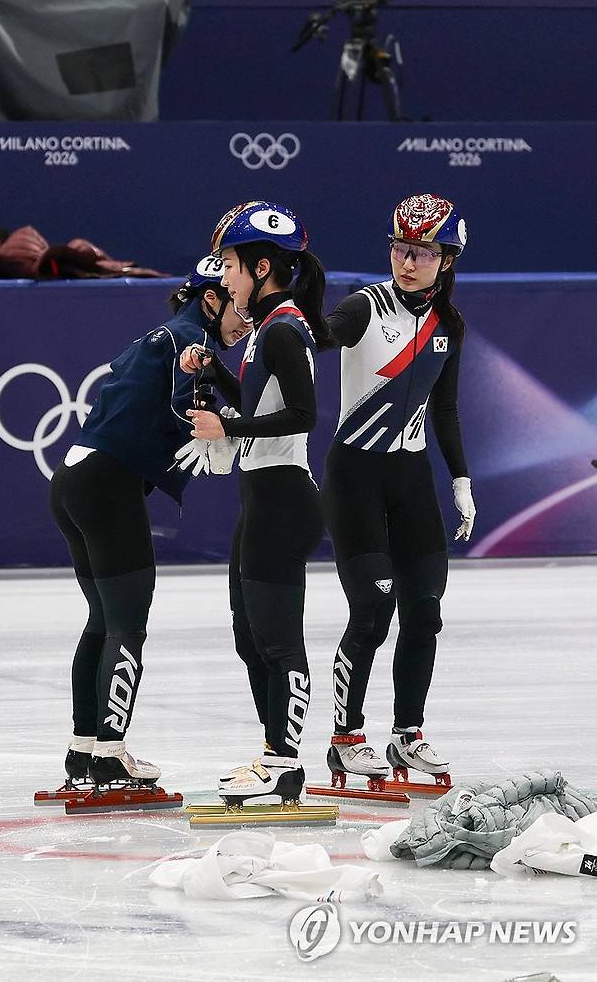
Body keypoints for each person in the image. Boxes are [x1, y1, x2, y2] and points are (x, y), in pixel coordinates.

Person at [48, 256, 252, 793]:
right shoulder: (194, 343)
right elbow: (192, 397)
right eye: (238, 302)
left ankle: (84, 750)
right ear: (212, 298)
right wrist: (219, 429)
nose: (246, 317)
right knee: (127, 625)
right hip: (108, 487)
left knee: (102, 620)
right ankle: (112, 756)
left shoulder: (165, 333)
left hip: (72, 478)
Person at [181, 200, 334, 806]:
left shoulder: (286, 328)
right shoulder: (264, 331)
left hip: (284, 499)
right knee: (249, 636)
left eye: (230, 265)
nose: (223, 277)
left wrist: (230, 429)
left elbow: (301, 415)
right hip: (261, 498)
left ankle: (286, 763)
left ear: (262, 266)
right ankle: (272, 751)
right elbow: (259, 400)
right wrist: (214, 371)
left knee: (277, 639)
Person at [322, 193, 476, 787]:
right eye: (399, 249)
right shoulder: (365, 305)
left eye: (421, 252)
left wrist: (460, 479)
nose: (407, 262)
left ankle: (407, 735)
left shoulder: (449, 326)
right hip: (355, 477)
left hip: (411, 480)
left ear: (446, 259)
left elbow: (446, 407)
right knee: (372, 612)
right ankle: (345, 738)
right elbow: (324, 334)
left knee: (424, 612)